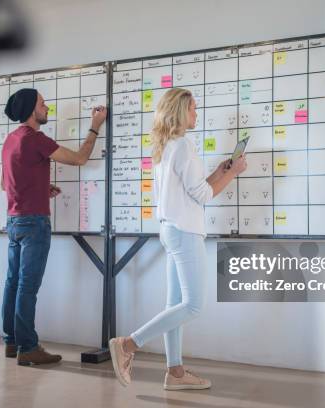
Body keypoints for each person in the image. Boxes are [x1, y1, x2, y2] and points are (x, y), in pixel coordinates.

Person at [108, 88, 247, 389]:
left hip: (171, 230)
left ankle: (176, 373)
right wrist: (233, 172)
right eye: (193, 108)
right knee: (193, 305)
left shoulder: (166, 146)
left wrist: (218, 171)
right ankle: (128, 345)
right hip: (185, 231)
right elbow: (203, 195)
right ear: (181, 112)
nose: (197, 113)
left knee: (175, 305)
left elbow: (194, 188)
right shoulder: (184, 145)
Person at [0, 88, 107, 366]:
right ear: (30, 110)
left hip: (14, 220)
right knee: (27, 286)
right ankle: (29, 348)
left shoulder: (11, 140)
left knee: (13, 283)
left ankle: (12, 343)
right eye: (42, 104)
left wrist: (39, 189)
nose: (47, 108)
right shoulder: (36, 139)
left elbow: (6, 184)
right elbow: (80, 158)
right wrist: (95, 127)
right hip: (34, 222)